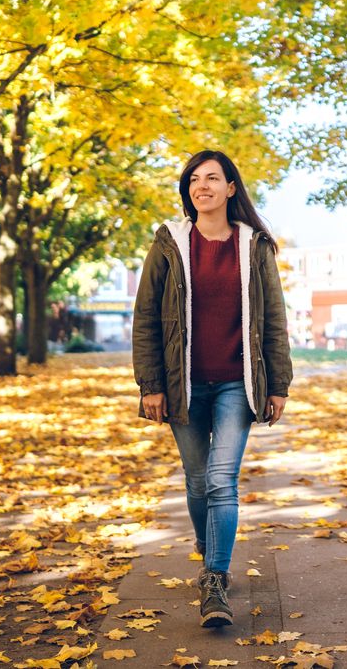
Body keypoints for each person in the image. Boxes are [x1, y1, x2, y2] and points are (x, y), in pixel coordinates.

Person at [132, 149, 293, 629]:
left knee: (223, 481)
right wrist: (151, 385)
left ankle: (215, 580)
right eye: (194, 179)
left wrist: (278, 383)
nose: (202, 186)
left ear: (230, 189)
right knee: (198, 480)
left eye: (213, 178)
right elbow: (145, 319)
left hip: (236, 383)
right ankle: (208, 545)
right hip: (182, 384)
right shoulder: (168, 244)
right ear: (188, 191)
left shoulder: (255, 246)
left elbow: (274, 319)